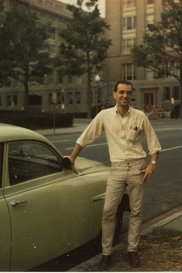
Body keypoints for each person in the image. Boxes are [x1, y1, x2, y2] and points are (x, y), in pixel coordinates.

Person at [69, 80, 161, 270]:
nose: (124, 96)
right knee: (108, 211)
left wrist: (152, 165)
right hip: (117, 169)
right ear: (114, 94)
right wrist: (72, 158)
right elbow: (86, 137)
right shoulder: (104, 116)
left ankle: (132, 251)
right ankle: (106, 254)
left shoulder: (140, 116)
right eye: (121, 92)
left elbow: (153, 142)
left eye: (128, 93)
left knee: (136, 212)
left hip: (137, 168)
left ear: (131, 95)